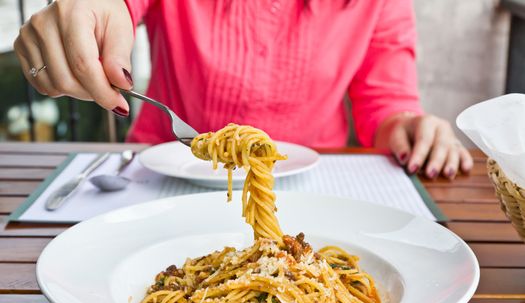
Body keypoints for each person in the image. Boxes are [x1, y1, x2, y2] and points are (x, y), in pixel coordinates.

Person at [13, 0, 473, 179]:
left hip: (311, 184)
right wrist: (87, 13)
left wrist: (410, 127)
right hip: (161, 172)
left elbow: (385, 106)